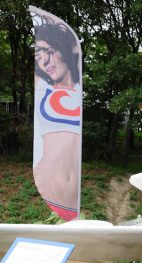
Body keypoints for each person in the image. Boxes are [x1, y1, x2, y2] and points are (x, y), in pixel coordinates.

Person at [32, 19, 81, 221]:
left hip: (74, 199)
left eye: (49, 51)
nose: (44, 61)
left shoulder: (79, 90)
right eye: (38, 55)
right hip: (51, 191)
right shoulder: (44, 87)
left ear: (64, 50)